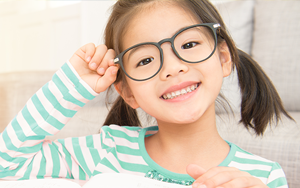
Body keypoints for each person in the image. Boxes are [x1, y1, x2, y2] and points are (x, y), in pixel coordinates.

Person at [0, 0, 293, 187]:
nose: (172, 68)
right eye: (145, 60)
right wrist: (70, 86)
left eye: (189, 45)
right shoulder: (107, 151)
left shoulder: (262, 176)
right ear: (128, 92)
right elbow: (6, 164)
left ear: (224, 58)